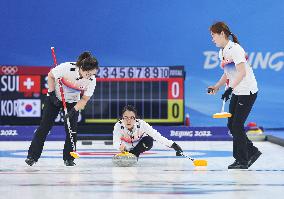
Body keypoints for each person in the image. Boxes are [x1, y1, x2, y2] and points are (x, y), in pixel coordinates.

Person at [25, 52, 99, 166]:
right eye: (88, 73)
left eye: (93, 73)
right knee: (44, 127)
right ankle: (32, 156)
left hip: (73, 102)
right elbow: (50, 75)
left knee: (71, 130)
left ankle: (69, 158)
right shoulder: (66, 68)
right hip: (54, 98)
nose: (90, 76)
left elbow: (84, 99)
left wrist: (74, 110)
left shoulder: (91, 80)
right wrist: (51, 93)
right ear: (81, 68)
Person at [208, 22, 261, 169]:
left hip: (247, 91)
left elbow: (242, 72)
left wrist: (229, 89)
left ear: (222, 34)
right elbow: (228, 73)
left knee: (237, 125)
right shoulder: (222, 51)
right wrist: (217, 87)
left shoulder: (235, 49)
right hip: (237, 90)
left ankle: (243, 161)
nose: (212, 39)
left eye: (213, 35)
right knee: (231, 125)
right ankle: (250, 152)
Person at [113, 105, 183, 158]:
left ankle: (134, 155)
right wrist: (120, 146)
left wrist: (173, 145)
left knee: (149, 140)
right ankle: (131, 154)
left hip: (140, 146)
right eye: (126, 117)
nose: (129, 120)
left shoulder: (142, 124)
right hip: (126, 148)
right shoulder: (118, 126)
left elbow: (156, 135)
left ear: (136, 118)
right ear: (122, 118)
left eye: (132, 117)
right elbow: (116, 141)